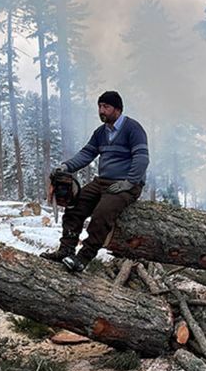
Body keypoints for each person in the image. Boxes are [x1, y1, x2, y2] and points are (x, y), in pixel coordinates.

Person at [40, 91, 149, 272]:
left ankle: (83, 258)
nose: (101, 110)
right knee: (75, 206)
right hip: (102, 182)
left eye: (106, 107)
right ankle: (66, 250)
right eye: (99, 106)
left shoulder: (133, 128)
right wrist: (65, 167)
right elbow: (86, 154)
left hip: (126, 185)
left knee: (101, 214)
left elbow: (142, 158)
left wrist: (130, 182)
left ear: (118, 109)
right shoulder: (100, 132)